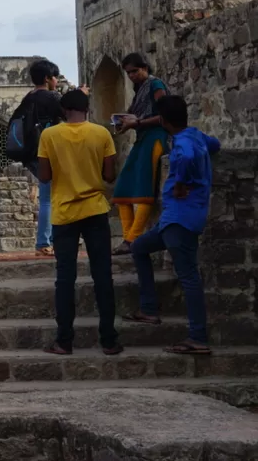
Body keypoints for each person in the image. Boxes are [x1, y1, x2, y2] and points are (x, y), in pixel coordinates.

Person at [127, 95, 218, 355]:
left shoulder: (183, 144)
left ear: (164, 121)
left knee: (189, 277)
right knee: (139, 248)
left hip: (181, 219)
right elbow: (216, 144)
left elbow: (187, 157)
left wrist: (180, 181)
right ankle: (148, 308)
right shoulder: (196, 136)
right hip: (175, 220)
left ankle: (198, 336)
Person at [38, 88, 121, 356]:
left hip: (64, 213)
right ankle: (108, 340)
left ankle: (64, 341)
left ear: (63, 110)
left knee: (65, 278)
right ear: (88, 108)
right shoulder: (102, 133)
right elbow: (109, 175)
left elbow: (44, 176)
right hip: (95, 209)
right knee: (102, 276)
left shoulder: (49, 136)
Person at [112, 53, 169, 254]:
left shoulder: (156, 85)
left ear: (145, 67)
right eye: (128, 73)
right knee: (122, 191)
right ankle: (129, 238)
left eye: (135, 71)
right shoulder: (139, 91)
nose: (132, 76)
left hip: (155, 138)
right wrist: (125, 124)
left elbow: (165, 115)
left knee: (144, 191)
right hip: (142, 139)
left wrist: (136, 123)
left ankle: (133, 238)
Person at [10, 59, 64, 257]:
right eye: (54, 77)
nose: (56, 81)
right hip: (47, 152)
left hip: (31, 153)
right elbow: (70, 114)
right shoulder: (51, 97)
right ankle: (45, 241)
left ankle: (48, 241)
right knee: (50, 199)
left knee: (47, 198)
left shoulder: (28, 98)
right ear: (47, 78)